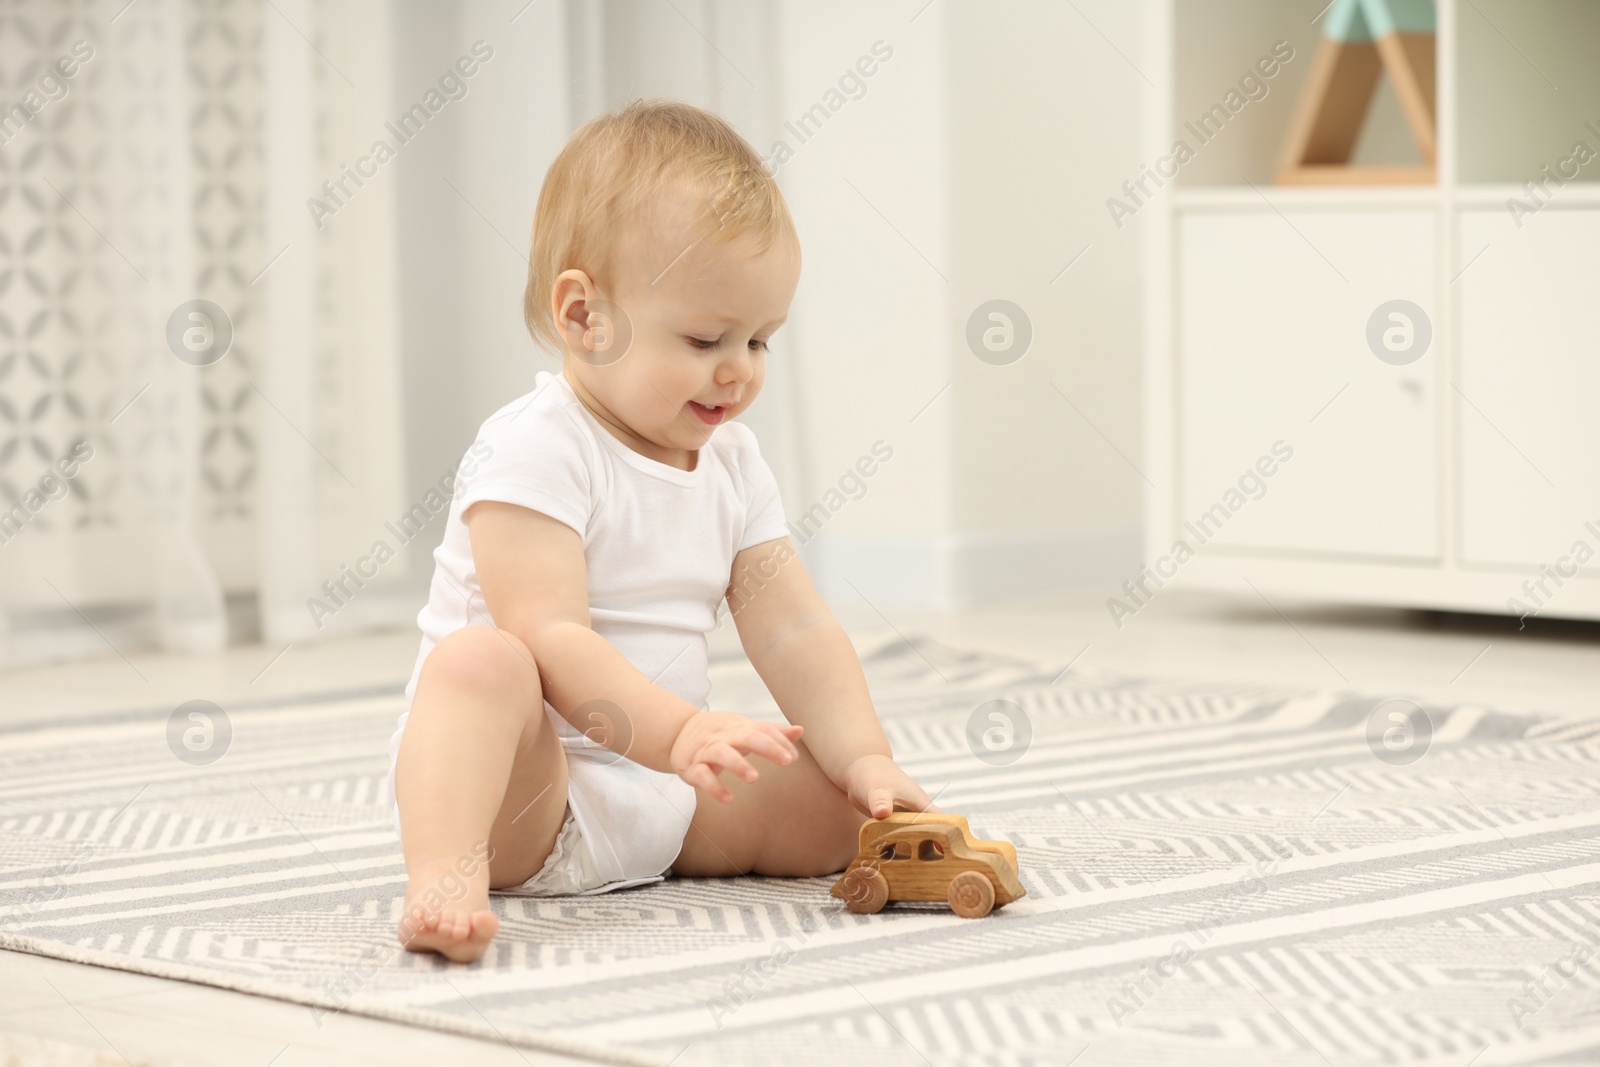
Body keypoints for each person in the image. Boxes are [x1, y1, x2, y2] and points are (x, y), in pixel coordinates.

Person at [387, 98, 941, 962]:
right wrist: (679, 732)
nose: (739, 370)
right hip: (524, 794)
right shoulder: (536, 448)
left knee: (837, 805)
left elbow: (793, 626)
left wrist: (865, 757)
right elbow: (551, 632)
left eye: (761, 340)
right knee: (483, 661)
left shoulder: (731, 463)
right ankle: (443, 874)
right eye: (707, 336)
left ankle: (793, 808)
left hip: (661, 795)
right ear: (585, 318)